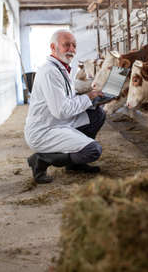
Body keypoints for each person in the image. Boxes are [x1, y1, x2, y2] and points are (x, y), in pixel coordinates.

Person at [24, 29, 106, 184]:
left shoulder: (63, 69)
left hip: (59, 123)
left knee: (97, 114)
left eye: (74, 45)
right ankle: (41, 159)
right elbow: (61, 110)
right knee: (93, 150)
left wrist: (93, 97)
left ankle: (75, 165)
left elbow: (69, 99)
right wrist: (88, 97)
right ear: (53, 47)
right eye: (66, 45)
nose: (72, 50)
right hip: (44, 130)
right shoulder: (50, 72)